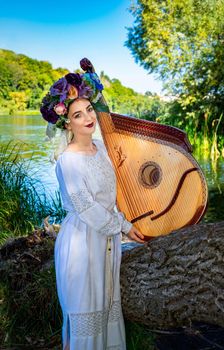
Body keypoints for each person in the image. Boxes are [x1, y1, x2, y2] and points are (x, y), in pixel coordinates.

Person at [40, 69, 145, 350]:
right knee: (87, 315)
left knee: (107, 310)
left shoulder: (101, 147)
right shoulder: (68, 161)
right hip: (81, 245)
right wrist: (125, 226)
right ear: (67, 124)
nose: (88, 118)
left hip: (105, 241)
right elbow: (87, 208)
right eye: (77, 115)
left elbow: (114, 189)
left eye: (89, 110)